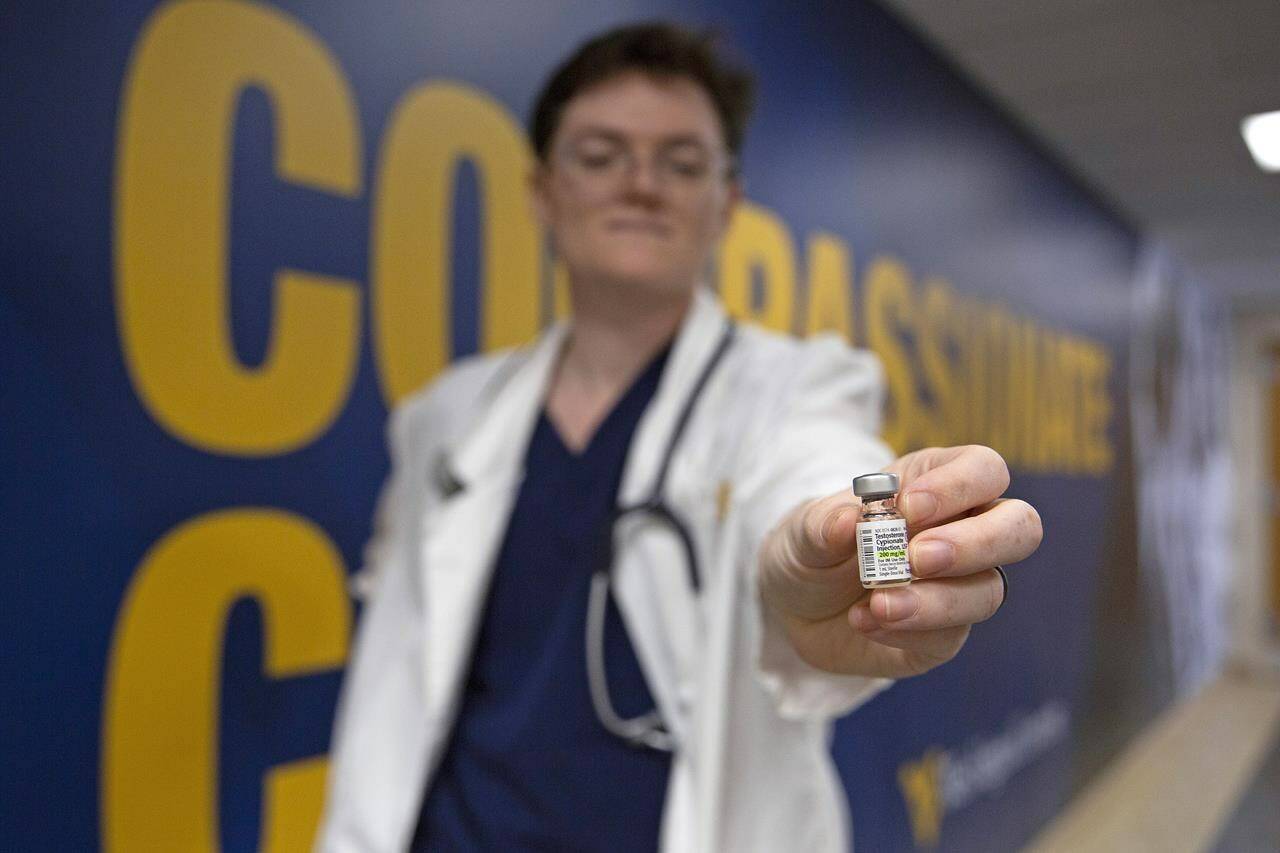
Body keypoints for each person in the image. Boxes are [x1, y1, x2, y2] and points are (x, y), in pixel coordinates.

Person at [317, 21, 1042, 853]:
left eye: (682, 162)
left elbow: (816, 467)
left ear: (725, 204)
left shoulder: (797, 385)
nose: (641, 184)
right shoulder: (444, 418)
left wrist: (819, 555)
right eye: (600, 155)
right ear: (543, 191)